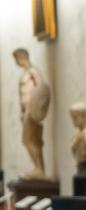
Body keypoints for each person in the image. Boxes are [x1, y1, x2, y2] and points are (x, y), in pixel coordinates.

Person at [13, 47, 50, 178]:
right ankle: (39, 168)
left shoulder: (33, 72)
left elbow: (42, 90)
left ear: (22, 57)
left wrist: (35, 110)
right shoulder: (26, 73)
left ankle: (39, 168)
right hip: (27, 111)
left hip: (32, 110)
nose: (16, 63)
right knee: (34, 141)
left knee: (28, 140)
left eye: (17, 59)